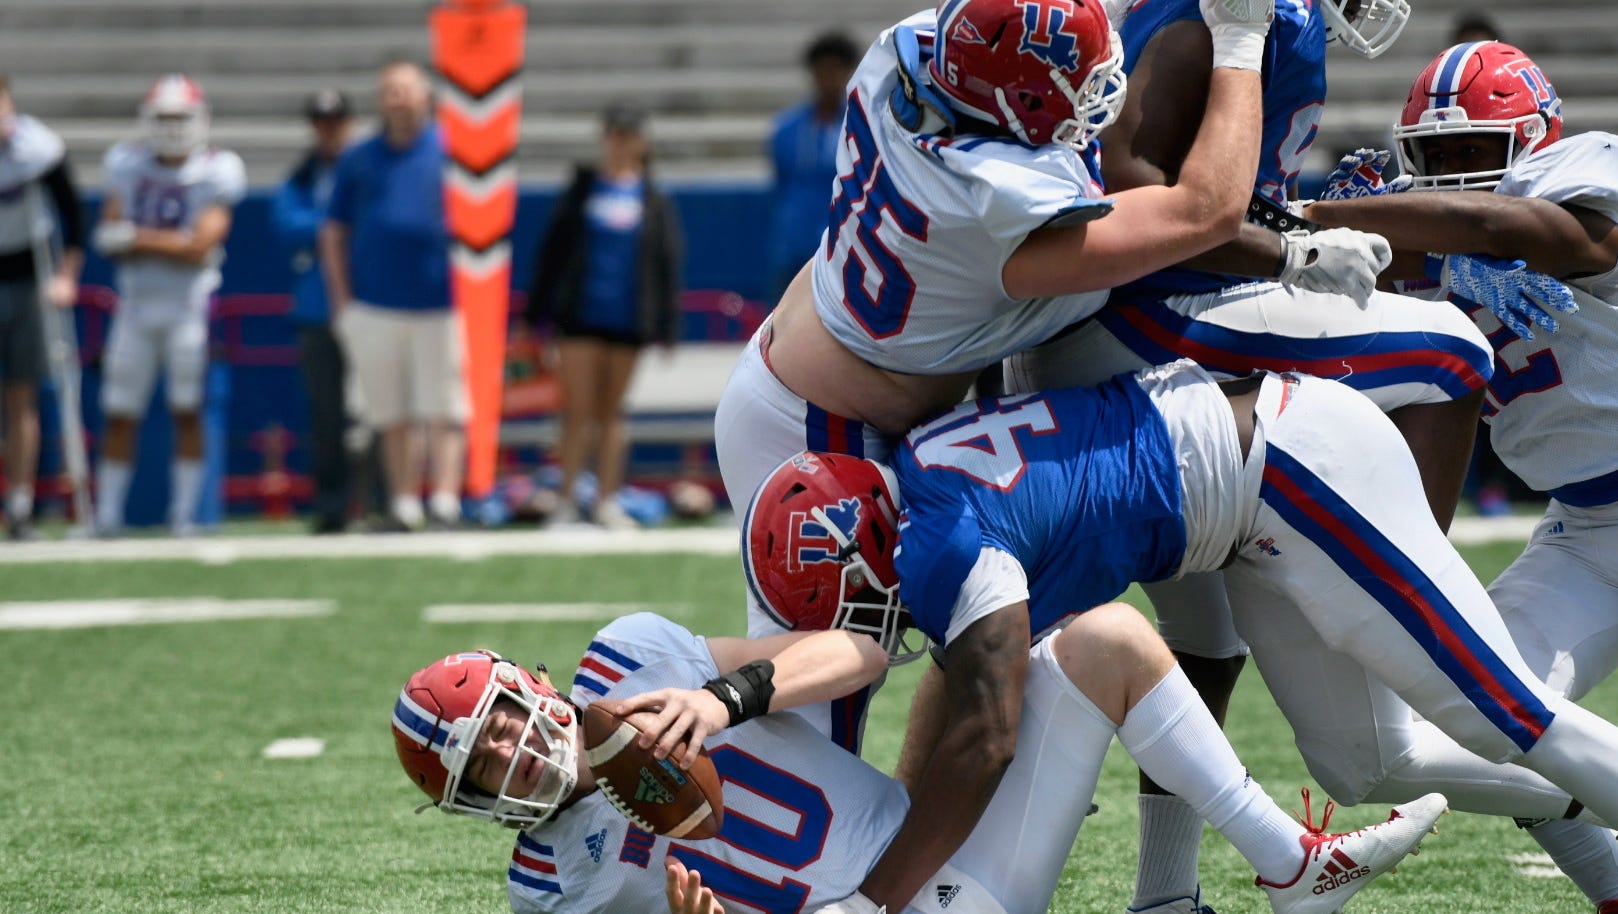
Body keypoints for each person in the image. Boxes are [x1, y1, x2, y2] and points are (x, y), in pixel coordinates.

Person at [992, 3, 1554, 907]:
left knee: (1206, 643)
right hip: (1147, 317)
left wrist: (1287, 223)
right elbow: (1133, 180)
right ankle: (1417, 590)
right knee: (1455, 352)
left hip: (1126, 323)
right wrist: (1287, 245)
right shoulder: (1231, 22)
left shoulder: (1254, 21)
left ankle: (1166, 896)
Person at [745, 357, 1618, 914]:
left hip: (1293, 463)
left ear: (857, 562)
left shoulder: (940, 546)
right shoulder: (927, 473)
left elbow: (988, 736)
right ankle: (1303, 868)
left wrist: (874, 900)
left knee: (1504, 712)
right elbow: (982, 688)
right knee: (1365, 762)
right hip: (1244, 513)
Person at [711, 0, 1297, 749]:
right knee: (819, 706)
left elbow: (1016, 29)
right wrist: (1241, 40)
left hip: (866, 385)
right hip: (822, 425)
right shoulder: (993, 200)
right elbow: (1206, 211)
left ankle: (915, 857)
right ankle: (686, 727)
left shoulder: (912, 50)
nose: (1094, 97)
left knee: (979, 634)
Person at [392, 614, 1442, 914]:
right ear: (473, 805)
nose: (510, 750)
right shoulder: (548, 884)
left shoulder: (634, 654)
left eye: (496, 719)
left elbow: (864, 647)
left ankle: (1286, 863)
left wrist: (726, 696)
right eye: (480, 765)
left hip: (950, 855)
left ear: (525, 681)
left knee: (1107, 642)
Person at [1302, 40, 1618, 914]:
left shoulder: (1579, 178)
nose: (1453, 174)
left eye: (1474, 151)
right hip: (1589, 530)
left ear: (1533, 139)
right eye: (1435, 157)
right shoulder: (1430, 259)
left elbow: (1512, 233)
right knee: (1491, 719)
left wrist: (1332, 220)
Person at [92, 73, 244, 537]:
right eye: (165, 117)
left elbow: (200, 246)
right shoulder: (126, 163)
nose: (174, 127)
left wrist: (139, 238)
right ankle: (107, 517)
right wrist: (168, 242)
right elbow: (107, 235)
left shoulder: (218, 168)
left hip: (189, 306)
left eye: (181, 117)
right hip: (135, 305)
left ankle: (183, 517)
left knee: (187, 409)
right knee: (119, 410)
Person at [322, 59, 465, 532]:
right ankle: (405, 503)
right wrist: (343, 301)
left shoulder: (453, 150)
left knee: (444, 408)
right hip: (377, 303)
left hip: (442, 302)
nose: (398, 99)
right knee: (392, 411)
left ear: (426, 96)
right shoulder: (359, 157)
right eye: (390, 91)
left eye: (406, 90)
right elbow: (333, 231)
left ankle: (445, 501)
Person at [525, 102, 683, 529]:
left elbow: (665, 264)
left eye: (628, 135)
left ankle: (607, 500)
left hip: (628, 319)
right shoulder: (582, 190)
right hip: (580, 315)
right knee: (577, 408)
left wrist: (666, 326)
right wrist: (536, 311)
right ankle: (567, 499)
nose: (619, 143)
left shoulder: (651, 198)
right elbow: (552, 254)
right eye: (613, 134)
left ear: (641, 143)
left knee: (613, 412)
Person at [273, 88, 368, 534]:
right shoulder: (304, 174)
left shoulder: (368, 167)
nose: (329, 130)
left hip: (370, 303)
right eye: (321, 122)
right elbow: (286, 224)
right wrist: (336, 227)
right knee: (326, 415)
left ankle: (382, 503)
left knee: (378, 413)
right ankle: (333, 505)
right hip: (317, 309)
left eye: (336, 121)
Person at [0, 74, 84, 540]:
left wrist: (66, 276)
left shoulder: (37, 148)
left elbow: (73, 215)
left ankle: (20, 502)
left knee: (20, 393)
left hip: (26, 272)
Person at [764, 31, 858, 301]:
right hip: (791, 245)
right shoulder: (786, 129)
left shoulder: (859, 126)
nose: (829, 77)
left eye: (836, 69)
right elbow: (780, 183)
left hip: (841, 246)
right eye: (822, 69)